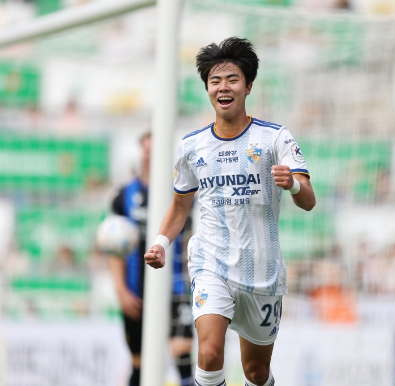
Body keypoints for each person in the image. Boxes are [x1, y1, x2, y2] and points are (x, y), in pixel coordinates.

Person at [144, 37, 316, 386]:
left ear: (248, 86)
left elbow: (308, 200)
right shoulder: (192, 147)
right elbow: (179, 208)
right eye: (215, 81)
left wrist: (293, 184)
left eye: (232, 79)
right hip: (211, 263)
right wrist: (161, 241)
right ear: (207, 89)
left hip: (262, 272)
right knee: (208, 353)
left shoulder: (274, 138)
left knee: (255, 372)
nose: (224, 87)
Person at [109, 132, 194, 386]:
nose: (148, 155)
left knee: (183, 355)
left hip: (175, 289)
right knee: (140, 365)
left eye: (154, 150)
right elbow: (113, 246)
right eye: (145, 150)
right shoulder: (124, 195)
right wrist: (121, 291)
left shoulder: (180, 194)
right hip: (137, 291)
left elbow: (190, 240)